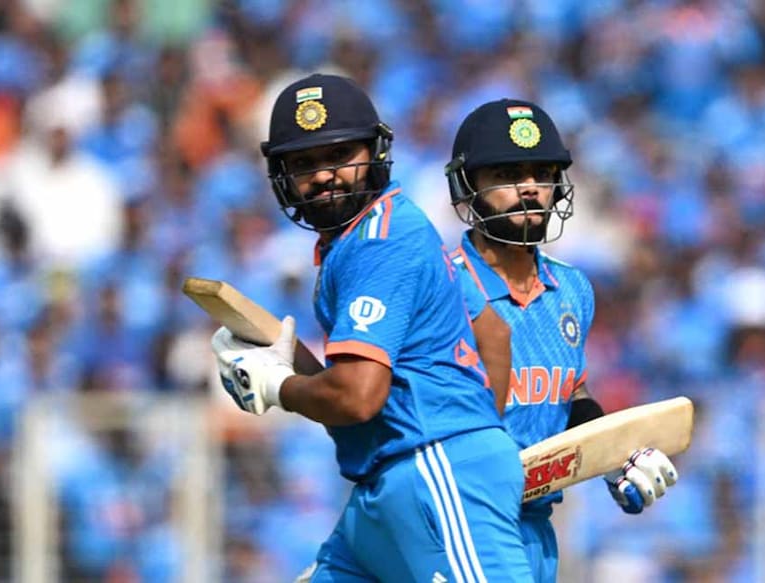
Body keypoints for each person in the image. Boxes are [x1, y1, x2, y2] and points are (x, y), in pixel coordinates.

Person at [209, 74, 533, 582]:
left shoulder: (380, 242)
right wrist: (281, 359)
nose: (323, 177)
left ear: (375, 152)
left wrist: (275, 386)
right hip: (388, 484)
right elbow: (491, 333)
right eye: (304, 164)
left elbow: (358, 397)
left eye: (340, 156)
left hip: (433, 472)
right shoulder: (382, 233)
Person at [445, 98, 681, 582]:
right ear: (468, 187)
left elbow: (570, 393)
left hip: (535, 527)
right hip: (457, 520)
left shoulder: (572, 289)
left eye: (542, 173)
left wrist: (617, 459)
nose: (530, 189)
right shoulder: (441, 287)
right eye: (508, 175)